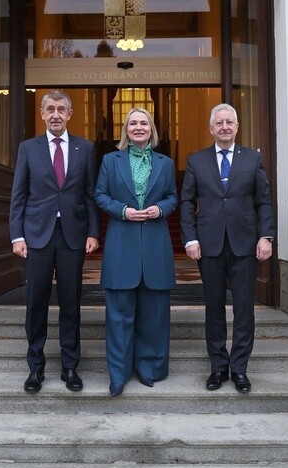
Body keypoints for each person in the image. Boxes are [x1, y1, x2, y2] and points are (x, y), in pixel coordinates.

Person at [9, 90, 100, 393]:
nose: (56, 114)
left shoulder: (84, 149)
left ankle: (70, 367)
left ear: (70, 114)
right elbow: (19, 194)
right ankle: (36, 368)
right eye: (50, 109)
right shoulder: (28, 148)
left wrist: (93, 232)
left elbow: (90, 194)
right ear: (42, 113)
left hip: (72, 235)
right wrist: (17, 234)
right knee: (36, 303)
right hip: (36, 235)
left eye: (61, 109)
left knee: (71, 303)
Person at [179, 103, 274, 393]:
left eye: (229, 122)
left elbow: (264, 201)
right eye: (219, 123)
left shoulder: (251, 159)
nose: (224, 127)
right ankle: (218, 367)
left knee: (244, 308)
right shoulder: (196, 161)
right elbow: (186, 202)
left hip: (245, 243)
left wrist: (266, 236)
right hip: (209, 245)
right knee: (214, 308)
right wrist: (190, 238)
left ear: (237, 127)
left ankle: (240, 368)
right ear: (211, 129)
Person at [94, 107, 177, 396]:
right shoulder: (109, 160)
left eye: (144, 123)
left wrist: (160, 209)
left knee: (154, 316)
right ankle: (118, 375)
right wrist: (123, 211)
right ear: (126, 130)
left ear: (151, 129)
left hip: (156, 247)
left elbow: (173, 198)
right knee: (118, 316)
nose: (138, 127)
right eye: (133, 123)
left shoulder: (166, 163)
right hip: (121, 246)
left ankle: (149, 369)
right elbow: (100, 195)